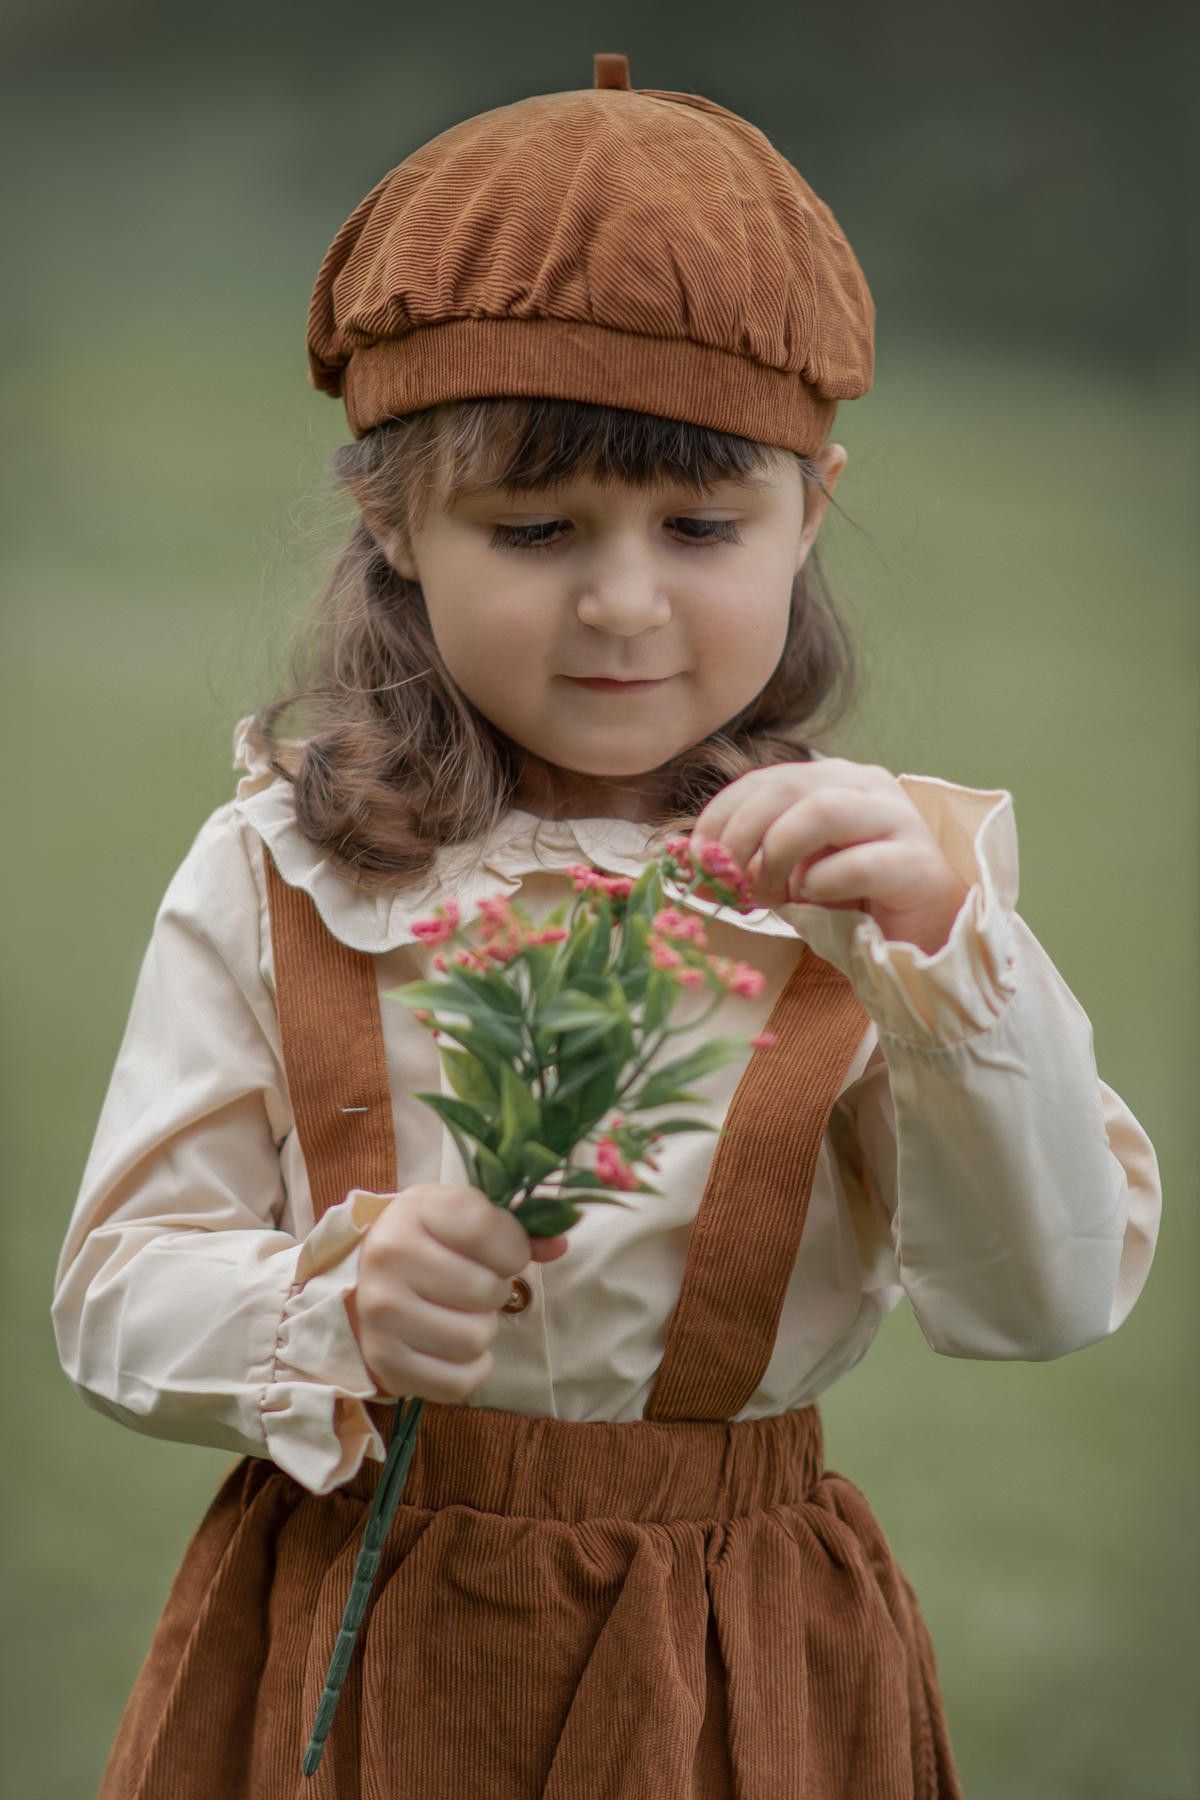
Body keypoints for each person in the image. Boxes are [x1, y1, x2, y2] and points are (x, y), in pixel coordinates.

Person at [54, 54, 1160, 1800]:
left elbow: (1043, 1297)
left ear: (811, 506)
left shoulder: (891, 884)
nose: (625, 603)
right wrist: (328, 1304)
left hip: (736, 1650)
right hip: (366, 1605)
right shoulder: (284, 859)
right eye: (540, 526)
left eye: (705, 525)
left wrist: (952, 961)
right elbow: (112, 1296)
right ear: (392, 517)